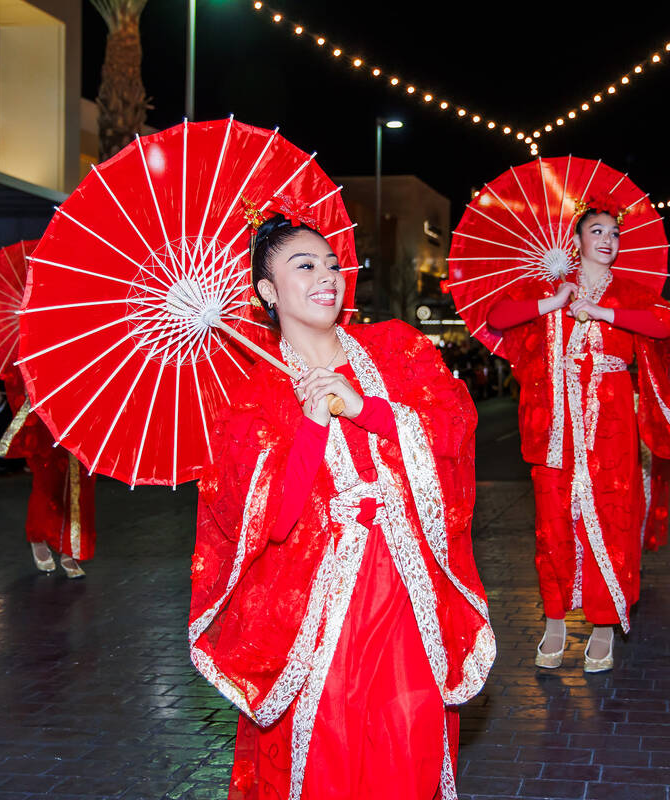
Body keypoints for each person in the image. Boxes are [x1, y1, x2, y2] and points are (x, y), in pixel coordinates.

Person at [189, 209, 494, 798]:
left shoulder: (396, 348)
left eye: (331, 264)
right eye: (304, 266)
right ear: (268, 291)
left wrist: (366, 409)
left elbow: (454, 428)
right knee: (329, 746)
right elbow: (271, 522)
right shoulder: (252, 398)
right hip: (316, 606)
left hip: (404, 585)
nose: (327, 276)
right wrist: (310, 425)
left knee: (408, 736)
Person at [485, 196, 670, 673]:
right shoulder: (549, 287)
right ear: (576, 241)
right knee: (553, 521)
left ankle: (604, 624)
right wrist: (554, 302)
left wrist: (602, 313)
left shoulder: (630, 291)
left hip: (611, 422)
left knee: (613, 516)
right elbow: (498, 317)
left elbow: (668, 325)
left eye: (614, 234)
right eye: (597, 231)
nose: (608, 240)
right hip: (554, 424)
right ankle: (555, 619)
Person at [0, 370, 96, 578]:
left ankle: (70, 551)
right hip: (46, 422)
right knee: (47, 486)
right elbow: (19, 378)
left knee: (79, 491)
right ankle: (38, 536)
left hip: (80, 421)